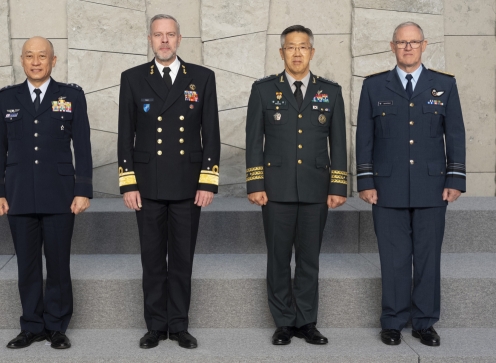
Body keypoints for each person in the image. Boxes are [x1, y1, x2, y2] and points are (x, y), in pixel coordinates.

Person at [356, 21, 465, 347]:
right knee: (393, 258)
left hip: (432, 186)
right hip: (386, 187)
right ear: (392, 46)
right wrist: (366, 179)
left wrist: (455, 177)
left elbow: (455, 134)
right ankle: (392, 320)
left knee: (428, 257)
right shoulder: (375, 86)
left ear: (423, 45)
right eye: (402, 42)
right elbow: (364, 137)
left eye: (413, 42)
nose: (407, 47)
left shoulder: (443, 85)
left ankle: (424, 322)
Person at [117, 14, 220, 350]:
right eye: (158, 35)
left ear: (179, 38)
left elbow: (212, 135)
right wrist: (128, 183)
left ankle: (179, 325)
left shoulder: (202, 78)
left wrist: (208, 182)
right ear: (150, 39)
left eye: (170, 35)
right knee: (151, 259)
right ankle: (154, 326)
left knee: (181, 259)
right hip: (146, 185)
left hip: (189, 185)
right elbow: (125, 135)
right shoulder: (132, 78)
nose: (164, 41)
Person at [245, 24, 347, 346]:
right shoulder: (263, 90)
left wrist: (338, 186)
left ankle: (306, 321)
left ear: (312, 52)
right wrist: (255, 183)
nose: (298, 53)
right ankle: (283, 322)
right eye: (291, 47)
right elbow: (253, 142)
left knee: (308, 259)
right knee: (277, 258)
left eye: (303, 47)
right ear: (282, 52)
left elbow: (339, 144)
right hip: (274, 191)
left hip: (316, 189)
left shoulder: (330, 92)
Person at [0, 36, 93, 350]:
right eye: (30, 56)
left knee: (58, 264)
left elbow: (83, 145)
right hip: (18, 194)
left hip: (60, 194)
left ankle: (57, 327)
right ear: (22, 60)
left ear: (53, 60)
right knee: (27, 265)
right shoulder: (7, 97)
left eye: (42, 56)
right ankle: (31, 326)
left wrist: (83, 189)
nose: (36, 62)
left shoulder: (70, 95)